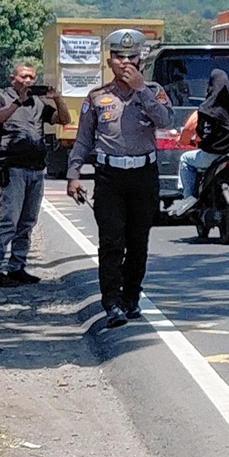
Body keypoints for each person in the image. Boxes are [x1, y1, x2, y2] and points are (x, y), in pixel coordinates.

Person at [66, 29, 172, 329]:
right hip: (110, 175)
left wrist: (142, 90)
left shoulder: (153, 91)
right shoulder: (98, 97)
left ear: (141, 59)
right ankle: (111, 302)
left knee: (138, 241)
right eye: (118, 57)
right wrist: (73, 174)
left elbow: (165, 121)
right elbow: (84, 139)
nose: (125, 62)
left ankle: (131, 297)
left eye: (132, 57)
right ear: (109, 60)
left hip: (143, 173)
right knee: (111, 240)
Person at [0, 63, 71, 288]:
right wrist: (17, 102)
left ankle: (17, 267)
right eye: (24, 77)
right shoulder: (1, 99)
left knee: (27, 222)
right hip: (11, 168)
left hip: (35, 169)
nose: (28, 81)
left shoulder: (38, 103)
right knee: (9, 220)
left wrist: (57, 98)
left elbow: (64, 120)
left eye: (32, 77)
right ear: (13, 78)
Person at [172, 68, 229, 216]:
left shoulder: (205, 108)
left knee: (185, 159)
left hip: (211, 156)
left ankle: (188, 196)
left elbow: (202, 134)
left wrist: (196, 143)